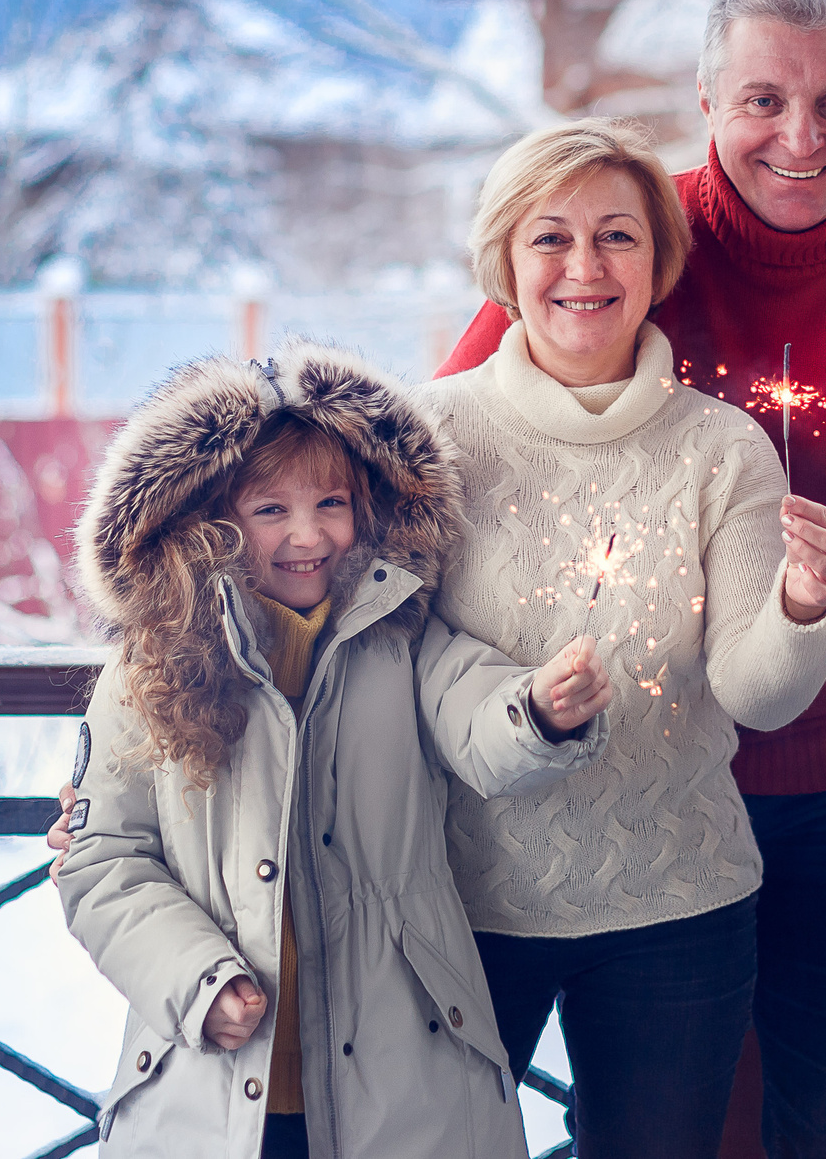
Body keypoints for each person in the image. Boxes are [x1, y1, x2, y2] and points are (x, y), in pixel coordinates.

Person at [435, 0, 826, 1158]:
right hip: (609, 778)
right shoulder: (607, 244)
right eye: (763, 99)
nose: (799, 136)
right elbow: (445, 473)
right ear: (705, 103)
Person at [418, 116, 826, 1158]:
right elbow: (363, 652)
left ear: (658, 261)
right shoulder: (425, 436)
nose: (584, 267)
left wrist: (802, 607)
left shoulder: (724, 451)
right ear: (504, 261)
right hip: (456, 896)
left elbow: (756, 694)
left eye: (616, 236)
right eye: (550, 238)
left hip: (676, 898)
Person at [54, 342, 615, 1158]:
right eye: (269, 509)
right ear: (212, 518)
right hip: (214, 1081)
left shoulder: (398, 634)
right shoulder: (153, 666)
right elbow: (102, 854)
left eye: (332, 501)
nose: (307, 533)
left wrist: (538, 709)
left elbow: (476, 711)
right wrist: (197, 980)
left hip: (402, 1076)